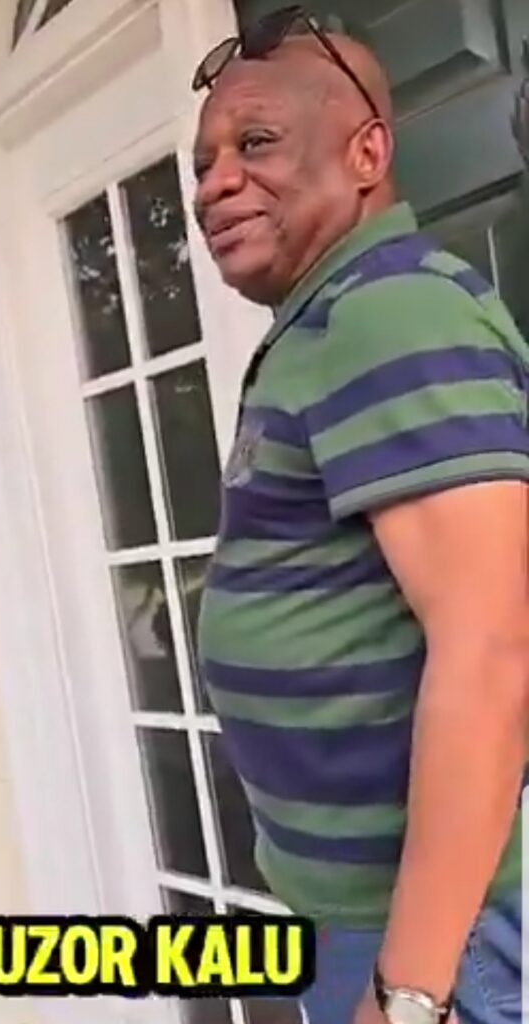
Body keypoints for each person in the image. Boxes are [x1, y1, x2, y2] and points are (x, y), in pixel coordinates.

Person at [192, 11, 528, 1024]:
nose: (213, 184)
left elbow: (494, 652)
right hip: (370, 922)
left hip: (442, 940)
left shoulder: (389, 311)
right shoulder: (327, 318)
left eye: (255, 143)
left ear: (368, 153)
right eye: (204, 163)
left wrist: (410, 989)